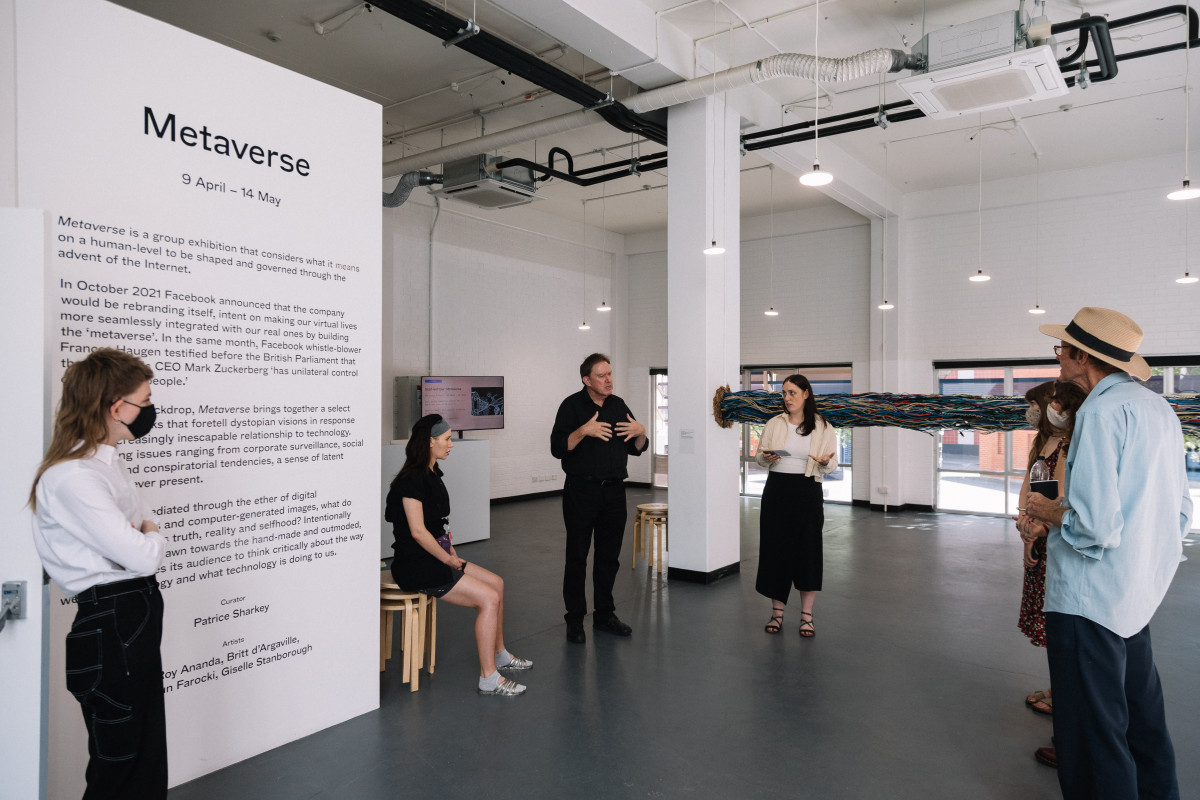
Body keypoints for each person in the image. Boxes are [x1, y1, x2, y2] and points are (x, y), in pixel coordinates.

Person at [1023, 307, 1192, 799]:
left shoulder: (1099, 411)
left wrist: (1046, 509)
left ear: (1081, 356)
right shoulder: (1158, 409)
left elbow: (1094, 526)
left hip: (1088, 601)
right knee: (1142, 722)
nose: (1058, 360)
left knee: (1092, 735)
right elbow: (1181, 511)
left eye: (1062, 350)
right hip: (1136, 597)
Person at [29, 348, 168, 799]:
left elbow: (143, 534)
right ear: (115, 408)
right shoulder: (73, 477)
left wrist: (143, 535)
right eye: (143, 402)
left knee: (143, 757)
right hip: (111, 621)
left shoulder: (106, 465)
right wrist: (145, 535)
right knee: (120, 762)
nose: (149, 411)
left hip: (130, 614)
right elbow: (145, 553)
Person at [386, 414, 532, 696]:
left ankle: (500, 655)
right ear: (430, 442)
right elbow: (417, 532)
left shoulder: (431, 473)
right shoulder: (412, 480)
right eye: (447, 439)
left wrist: (450, 550)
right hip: (417, 566)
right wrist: (448, 559)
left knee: (497, 584)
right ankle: (489, 678)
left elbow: (437, 524)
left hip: (436, 557)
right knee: (488, 599)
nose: (452, 444)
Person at [550, 353, 647, 644]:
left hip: (615, 492)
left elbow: (637, 447)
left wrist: (642, 432)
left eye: (610, 374)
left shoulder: (618, 405)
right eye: (602, 375)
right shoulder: (571, 406)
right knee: (577, 556)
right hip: (582, 491)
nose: (609, 380)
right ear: (586, 379)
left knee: (609, 557)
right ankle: (575, 619)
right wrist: (584, 430)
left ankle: (605, 614)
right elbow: (558, 449)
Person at [1013, 379, 1085, 768]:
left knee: (1062, 624)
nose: (1039, 412)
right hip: (1040, 537)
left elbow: (1065, 500)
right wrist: (1027, 527)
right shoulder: (1044, 443)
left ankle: (1065, 698)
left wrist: (1040, 526)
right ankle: (1060, 690)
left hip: (1061, 541)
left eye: (1044, 404)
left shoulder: (1075, 446)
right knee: (1049, 622)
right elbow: (1034, 489)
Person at [754, 374, 839, 637]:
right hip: (777, 490)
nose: (787, 398)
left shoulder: (823, 426)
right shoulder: (774, 423)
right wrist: (766, 457)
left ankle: (806, 616)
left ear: (806, 394)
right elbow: (759, 458)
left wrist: (825, 463)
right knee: (776, 551)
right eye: (784, 393)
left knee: (808, 551)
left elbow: (832, 463)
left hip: (807, 491)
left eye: (792, 392)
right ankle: (777, 613)